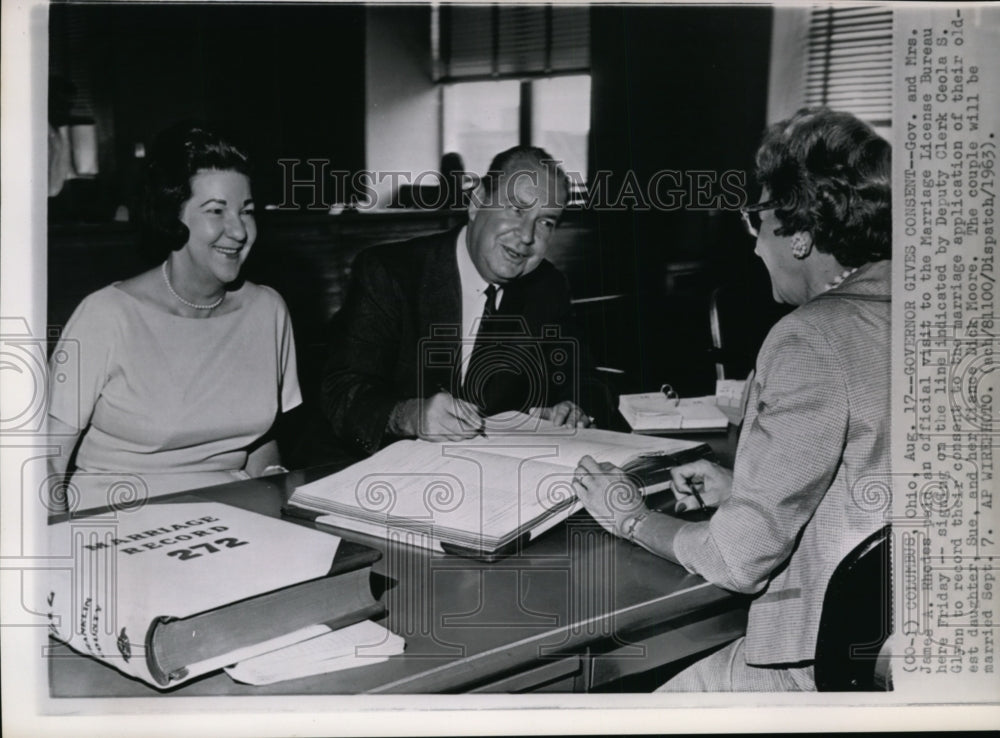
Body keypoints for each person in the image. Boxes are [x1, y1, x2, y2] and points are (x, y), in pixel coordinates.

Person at [573, 108, 891, 691]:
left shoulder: (811, 336)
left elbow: (737, 560)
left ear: (800, 234)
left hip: (823, 663)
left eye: (757, 222)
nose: (753, 248)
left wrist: (633, 519)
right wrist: (742, 486)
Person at [46, 123, 301, 511]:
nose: (238, 230)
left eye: (246, 211)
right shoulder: (106, 315)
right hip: (114, 514)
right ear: (173, 215)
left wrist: (278, 498)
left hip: (231, 514)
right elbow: (45, 459)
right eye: (216, 211)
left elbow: (258, 442)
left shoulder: (269, 310)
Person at [320, 145, 597, 458]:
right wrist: (410, 416)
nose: (527, 236)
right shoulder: (389, 273)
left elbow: (584, 380)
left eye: (546, 222)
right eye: (517, 209)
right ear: (477, 202)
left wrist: (571, 409)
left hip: (498, 477)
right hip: (388, 474)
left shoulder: (547, 287)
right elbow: (340, 392)